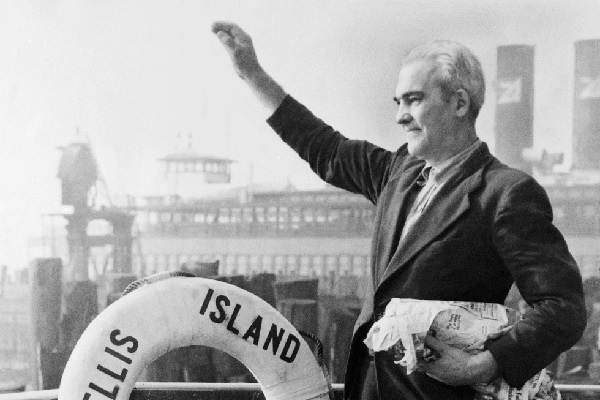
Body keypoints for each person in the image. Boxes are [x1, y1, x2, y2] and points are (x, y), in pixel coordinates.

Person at [211, 22, 587, 400]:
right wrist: (252, 74)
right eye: (398, 103)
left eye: (413, 100)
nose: (400, 117)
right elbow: (322, 146)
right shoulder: (398, 174)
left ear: (459, 103)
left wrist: (482, 364)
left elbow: (562, 307)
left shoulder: (506, 193)